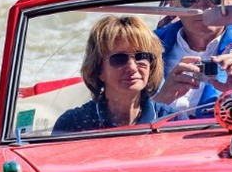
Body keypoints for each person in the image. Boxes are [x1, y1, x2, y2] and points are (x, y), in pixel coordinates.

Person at [52, 15, 185, 134]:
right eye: (119, 59)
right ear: (98, 70)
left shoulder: (174, 122)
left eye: (141, 56)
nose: (132, 67)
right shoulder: (73, 126)